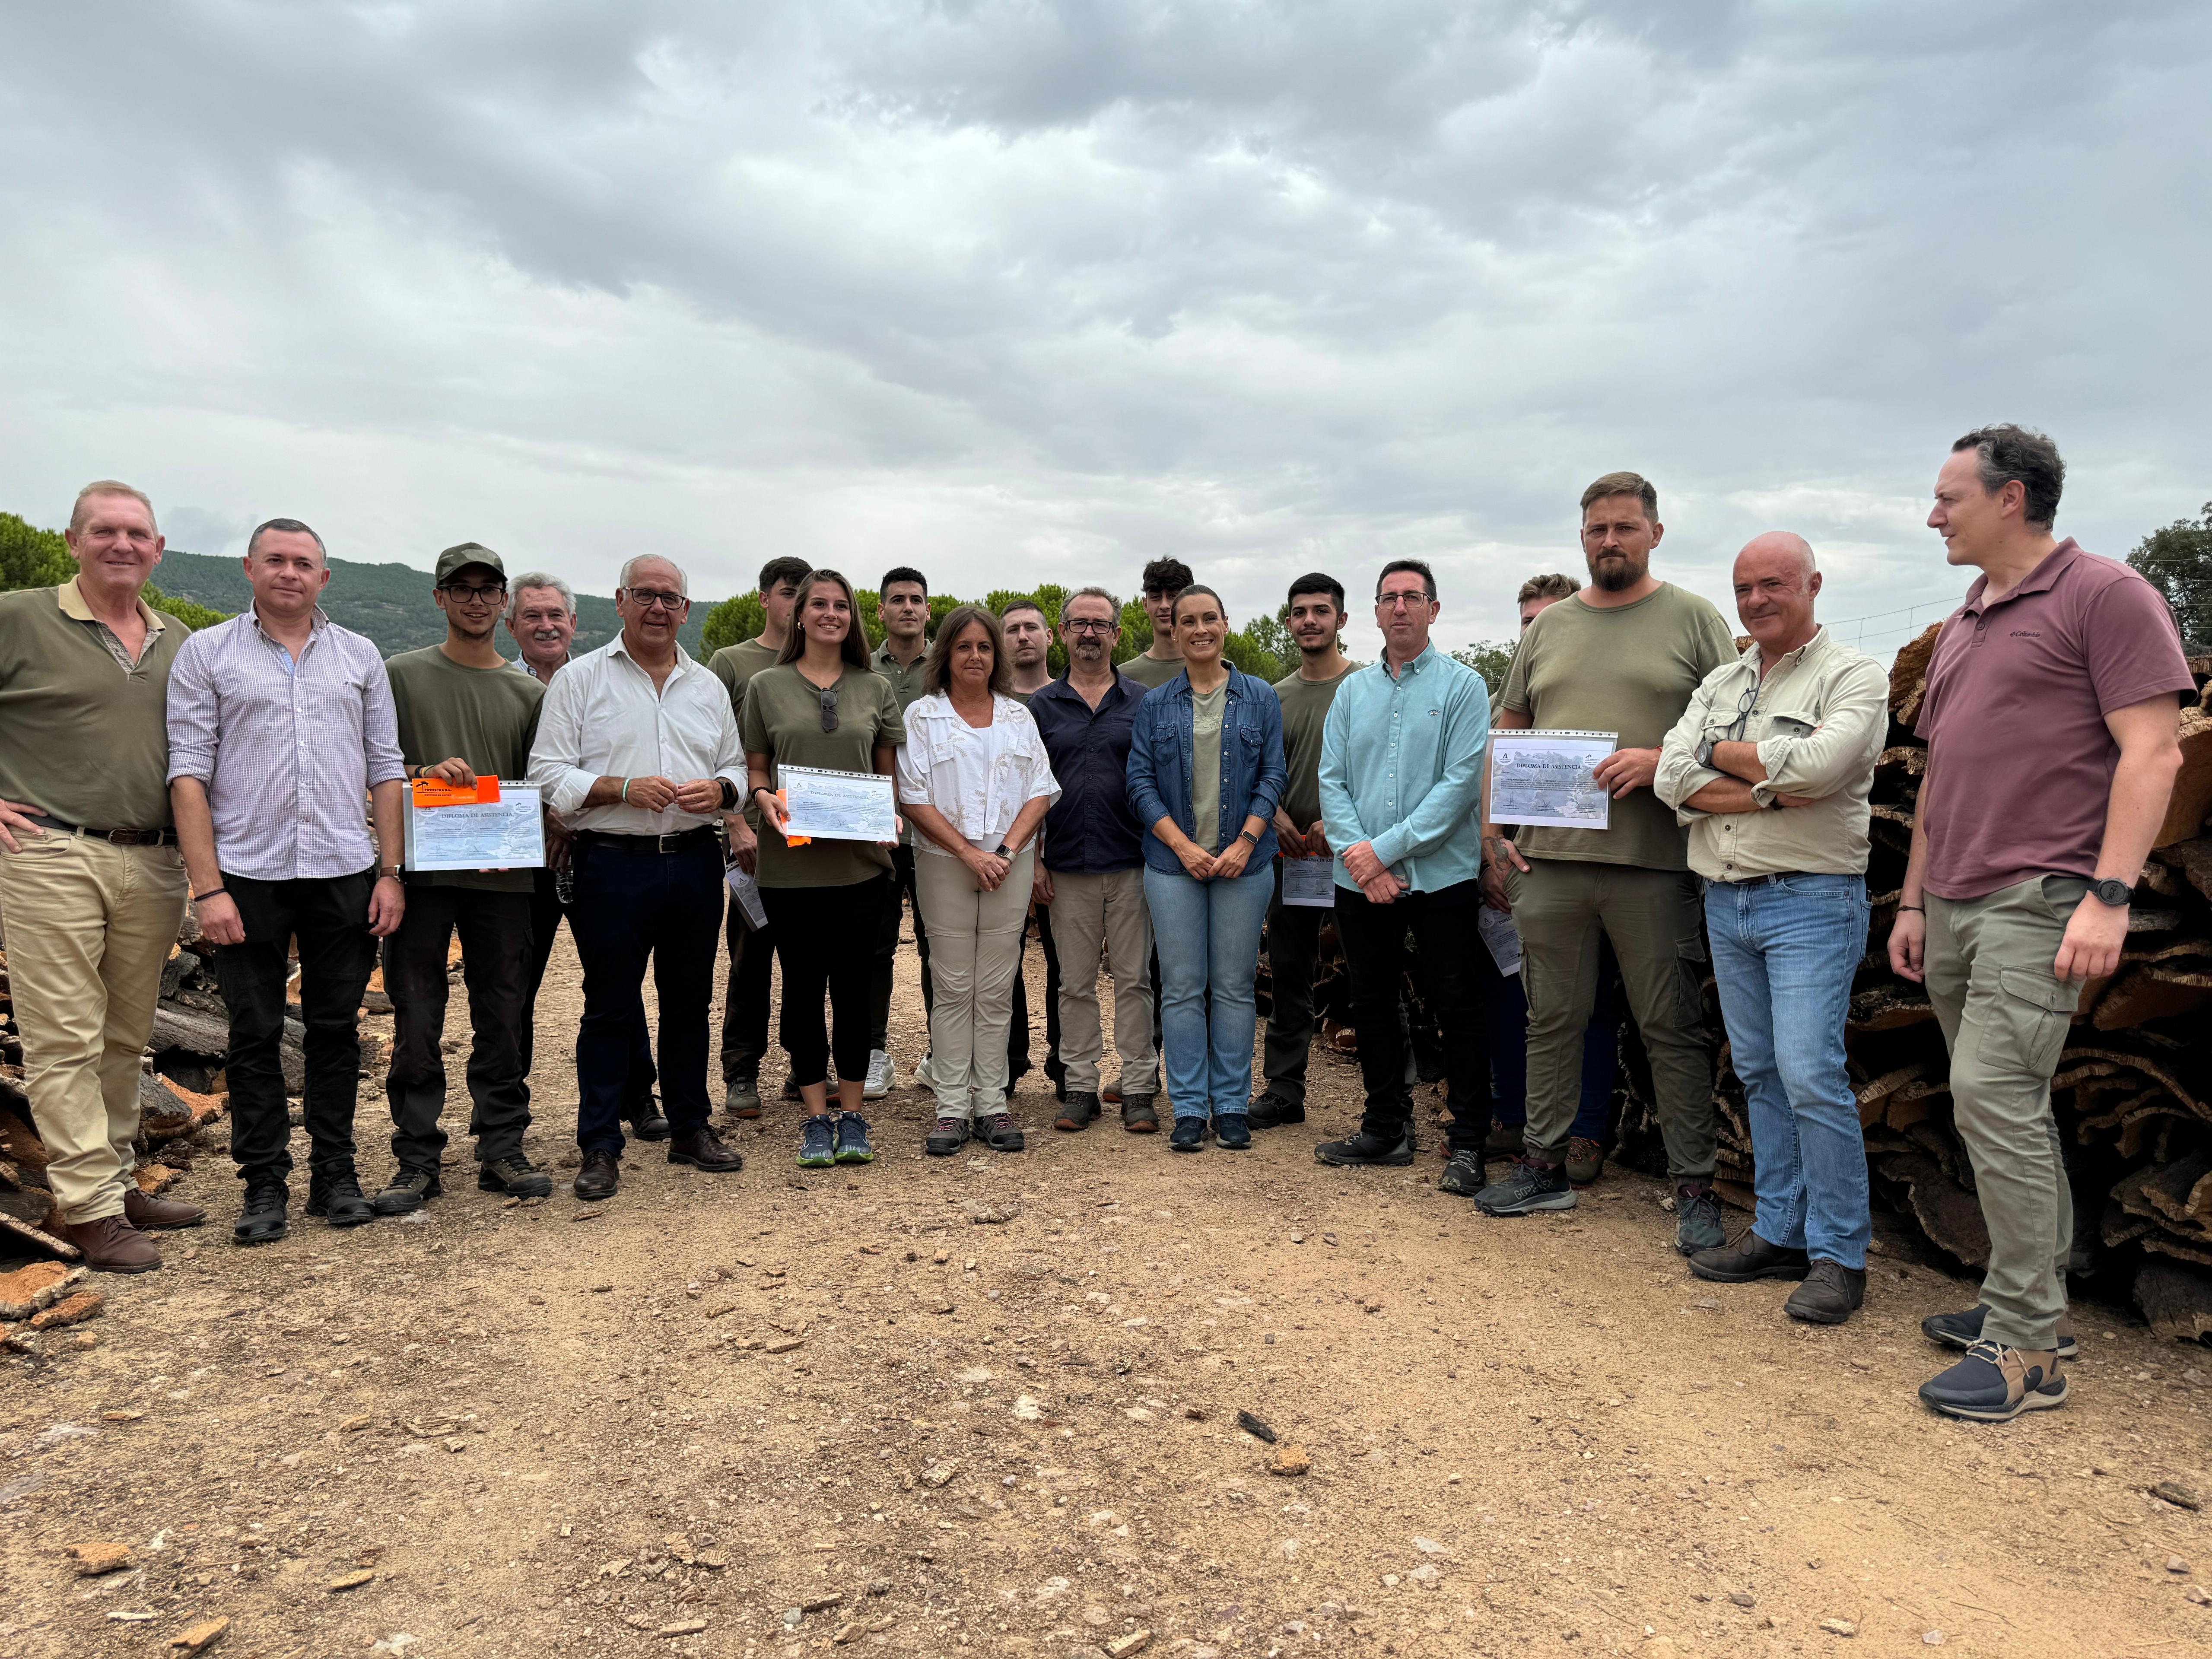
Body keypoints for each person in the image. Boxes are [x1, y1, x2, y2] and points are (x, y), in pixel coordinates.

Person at [1893, 426, 2192, 1421]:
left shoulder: (2106, 595)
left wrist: (2108, 895)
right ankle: (2029, 1302)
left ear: (2010, 498)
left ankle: (2027, 1350)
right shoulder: (1967, 618)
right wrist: (1909, 899)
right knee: (1996, 1101)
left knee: (1991, 1091)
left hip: (2042, 892)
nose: (1933, 515)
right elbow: (1940, 772)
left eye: (1948, 498)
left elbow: (2152, 752)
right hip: (1953, 898)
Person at [1476, 472, 1736, 1248]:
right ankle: (1543, 1167)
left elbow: (1729, 721)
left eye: (1626, 527)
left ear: (1655, 532)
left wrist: (1660, 759)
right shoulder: (1549, 627)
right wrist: (1494, 835)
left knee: (1669, 1026)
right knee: (1552, 1018)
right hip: (1550, 863)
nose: (1611, 542)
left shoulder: (1693, 619)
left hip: (1654, 862)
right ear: (1582, 538)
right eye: (1597, 530)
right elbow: (1511, 727)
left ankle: (1696, 1185)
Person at [1655, 534, 1888, 1324]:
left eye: (1773, 585)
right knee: (1758, 1071)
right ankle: (1782, 1230)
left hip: (1812, 900)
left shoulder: (1854, 675)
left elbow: (1823, 767)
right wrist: (1766, 786)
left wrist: (1718, 757)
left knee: (1811, 1073)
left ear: (1812, 585)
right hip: (1728, 898)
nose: (1756, 601)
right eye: (1744, 588)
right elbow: (1667, 775)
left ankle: (1839, 1255)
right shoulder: (1723, 678)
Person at [167, 517, 408, 1243]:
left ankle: (336, 1173)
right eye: (275, 560)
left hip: (343, 870)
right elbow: (188, 772)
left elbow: (387, 768)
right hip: (247, 875)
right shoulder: (207, 654)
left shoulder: (360, 656)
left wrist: (390, 871)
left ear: (323, 578)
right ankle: (264, 1182)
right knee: (255, 1031)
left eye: (303, 563)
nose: (289, 573)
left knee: (336, 1030)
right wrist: (207, 890)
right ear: (249, 568)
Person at [0, 481, 205, 1271]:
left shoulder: (179, 639)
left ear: (157, 550)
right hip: (49, 849)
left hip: (152, 857)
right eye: (105, 532)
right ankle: (85, 1209)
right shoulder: (18, 617)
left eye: (137, 534)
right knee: (64, 1036)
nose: (122, 545)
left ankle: (115, 1184)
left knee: (124, 1035)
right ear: (72, 541)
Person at [527, 554, 747, 1201]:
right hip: (612, 861)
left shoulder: (707, 686)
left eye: (671, 598)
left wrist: (723, 789)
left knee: (689, 1003)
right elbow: (546, 775)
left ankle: (689, 1128)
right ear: (620, 602)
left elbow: (734, 764)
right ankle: (599, 1144)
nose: (658, 608)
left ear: (686, 610)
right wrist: (619, 787)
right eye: (645, 595)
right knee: (609, 1008)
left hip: (695, 859)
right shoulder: (580, 681)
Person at [373, 543, 553, 1215]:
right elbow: (379, 765)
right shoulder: (401, 676)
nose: (475, 600)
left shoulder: (528, 692)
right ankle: (416, 1156)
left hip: (503, 878)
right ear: (439, 598)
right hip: (423, 874)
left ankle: (502, 1145)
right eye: (461, 588)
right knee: (417, 1014)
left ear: (503, 601)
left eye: (488, 589)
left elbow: (541, 782)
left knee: (503, 1013)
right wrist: (422, 774)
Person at [1312, 560, 1498, 1182]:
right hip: (1360, 879)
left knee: (1457, 1003)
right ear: (1374, 612)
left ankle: (1470, 1140)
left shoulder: (1464, 687)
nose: (1399, 608)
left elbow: (1459, 788)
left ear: (1433, 610)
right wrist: (1362, 862)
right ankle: (1385, 1128)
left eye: (1411, 597)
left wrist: (1380, 853)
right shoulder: (1352, 693)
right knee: (1371, 1003)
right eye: (1388, 598)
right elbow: (1331, 783)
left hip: (1441, 877)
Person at [745, 569, 908, 1168]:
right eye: (819, 604)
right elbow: (757, 768)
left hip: (861, 868)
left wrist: (889, 818)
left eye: (841, 606)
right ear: (800, 614)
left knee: (855, 990)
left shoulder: (876, 687)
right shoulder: (765, 685)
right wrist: (761, 799)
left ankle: (855, 1113)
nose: (830, 614)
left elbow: (886, 773)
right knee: (803, 990)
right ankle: (816, 1118)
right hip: (789, 869)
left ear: (852, 619)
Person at [1125, 586, 1285, 1150]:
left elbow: (1273, 777)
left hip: (1247, 863)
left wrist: (1245, 841)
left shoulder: (1260, 697)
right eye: (1186, 620)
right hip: (1173, 866)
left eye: (1208, 618)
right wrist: (1182, 845)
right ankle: (1191, 1108)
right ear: (1173, 629)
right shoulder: (1156, 704)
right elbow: (1139, 783)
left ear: (1224, 624)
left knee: (1236, 988)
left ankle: (1233, 1106)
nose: (1198, 628)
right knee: (1183, 988)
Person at [897, 606, 1061, 1156]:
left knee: (995, 987)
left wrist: (1006, 851)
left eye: (984, 648)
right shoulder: (922, 717)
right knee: (952, 986)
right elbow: (912, 795)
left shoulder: (1018, 718)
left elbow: (1039, 789)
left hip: (1006, 865)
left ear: (997, 657)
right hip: (946, 863)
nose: (975, 656)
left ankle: (991, 1103)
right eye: (964, 647)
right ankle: (950, 1108)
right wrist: (970, 854)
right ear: (946, 653)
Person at [1481, 572, 1627, 1185]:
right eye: (1526, 622)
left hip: (1593, 875)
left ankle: (1587, 1131)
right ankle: (1514, 1119)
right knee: (1514, 1005)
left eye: (1548, 619)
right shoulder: (1503, 707)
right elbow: (1479, 787)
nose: (1536, 631)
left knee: (1592, 1008)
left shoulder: (1594, 704)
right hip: (1512, 878)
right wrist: (1491, 856)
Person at [1028, 588, 1160, 1132]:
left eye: (1099, 624)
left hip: (1132, 860)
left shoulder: (1145, 702)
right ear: (1062, 633)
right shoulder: (1039, 707)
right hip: (1063, 863)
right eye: (1078, 623)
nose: (1088, 633)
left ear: (1116, 634)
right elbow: (1024, 788)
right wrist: (1032, 859)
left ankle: (1138, 1089)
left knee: (1134, 981)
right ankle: (1078, 1085)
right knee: (1074, 983)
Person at [1247, 572, 1356, 1129]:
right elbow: (1256, 772)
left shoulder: (1366, 688)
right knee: (1289, 974)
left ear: (1342, 619)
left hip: (1357, 855)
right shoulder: (1273, 696)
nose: (1309, 620)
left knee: (1373, 975)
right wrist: (1279, 819)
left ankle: (1395, 1102)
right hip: (1290, 858)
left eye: (1321, 610)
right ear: (1288, 622)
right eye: (1299, 612)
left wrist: (1337, 825)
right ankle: (1284, 1091)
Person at [707, 555, 810, 1116]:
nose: (798, 604)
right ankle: (740, 1071)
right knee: (750, 959)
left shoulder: (823, 665)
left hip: (810, 843)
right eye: (789, 592)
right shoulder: (732, 662)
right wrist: (736, 823)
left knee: (806, 958)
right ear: (766, 598)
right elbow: (715, 749)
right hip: (753, 841)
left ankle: (803, 1064)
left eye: (808, 594)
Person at [868, 565, 934, 1097]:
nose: (907, 607)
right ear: (882, 610)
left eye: (915, 599)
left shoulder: (953, 667)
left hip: (937, 833)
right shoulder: (861, 673)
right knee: (873, 948)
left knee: (941, 949)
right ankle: (872, 1053)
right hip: (876, 835)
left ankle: (943, 1054)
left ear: (928, 610)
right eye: (897, 599)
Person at [999, 597, 1064, 1100]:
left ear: (1049, 637)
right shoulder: (988, 702)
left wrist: (1042, 856)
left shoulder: (1065, 698)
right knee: (1004, 961)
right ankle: (1008, 1062)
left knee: (1064, 967)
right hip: (1001, 853)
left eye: (1031, 628)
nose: (1023, 636)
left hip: (1061, 853)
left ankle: (1066, 1067)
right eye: (1012, 629)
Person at [1120, 556, 1194, 690]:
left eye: (1172, 596)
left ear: (1190, 602)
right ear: (1145, 604)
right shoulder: (1124, 678)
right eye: (1155, 597)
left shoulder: (1220, 672)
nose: (1164, 605)